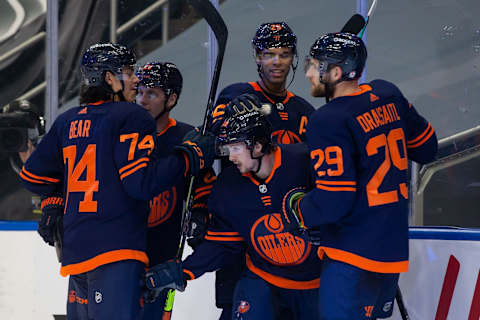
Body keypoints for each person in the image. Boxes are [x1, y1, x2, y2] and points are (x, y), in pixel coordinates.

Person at [19, 43, 215, 320]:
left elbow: (32, 177)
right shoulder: (131, 116)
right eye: (128, 72)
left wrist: (55, 199)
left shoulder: (67, 121)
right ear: (109, 78)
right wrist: (189, 158)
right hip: (116, 252)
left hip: (77, 254)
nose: (135, 80)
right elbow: (140, 184)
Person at [282, 32, 438, 319]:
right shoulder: (387, 93)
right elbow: (428, 148)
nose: (308, 74)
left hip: (351, 256)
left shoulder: (327, 121)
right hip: (390, 252)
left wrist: (298, 209)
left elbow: (334, 200)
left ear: (336, 72)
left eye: (315, 66)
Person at [144, 94, 322, 320]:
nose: (231, 156)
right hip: (263, 279)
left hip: (315, 281)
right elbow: (223, 243)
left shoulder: (305, 162)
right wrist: (184, 270)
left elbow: (339, 197)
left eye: (236, 148)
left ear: (257, 146)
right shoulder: (228, 186)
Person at [207, 21, 316, 319]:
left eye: (283, 54)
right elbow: (214, 140)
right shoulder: (236, 94)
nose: (276, 61)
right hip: (243, 228)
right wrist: (228, 117)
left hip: (288, 234)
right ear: (257, 57)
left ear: (294, 57)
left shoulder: (305, 111)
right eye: (269, 54)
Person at [136, 61, 215, 319]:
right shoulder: (125, 134)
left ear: (171, 99)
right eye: (139, 91)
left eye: (152, 93)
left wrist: (200, 215)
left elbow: (204, 184)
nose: (142, 99)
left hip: (163, 257)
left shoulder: (187, 138)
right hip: (125, 250)